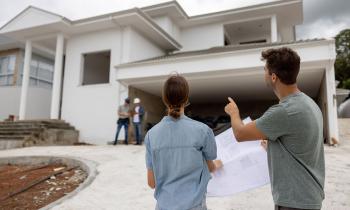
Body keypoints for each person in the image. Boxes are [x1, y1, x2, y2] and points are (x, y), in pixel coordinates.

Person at [224, 47, 325, 210]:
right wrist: (272, 146)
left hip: (294, 202)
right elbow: (299, 144)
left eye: (265, 70)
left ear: (273, 77)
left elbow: (240, 134)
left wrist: (234, 113)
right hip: (308, 198)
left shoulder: (284, 111)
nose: (263, 73)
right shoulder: (309, 104)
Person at [145, 74, 222, 210]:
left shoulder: (151, 135)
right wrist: (217, 164)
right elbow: (211, 167)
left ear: (164, 99)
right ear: (186, 99)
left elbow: (152, 183)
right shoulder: (203, 131)